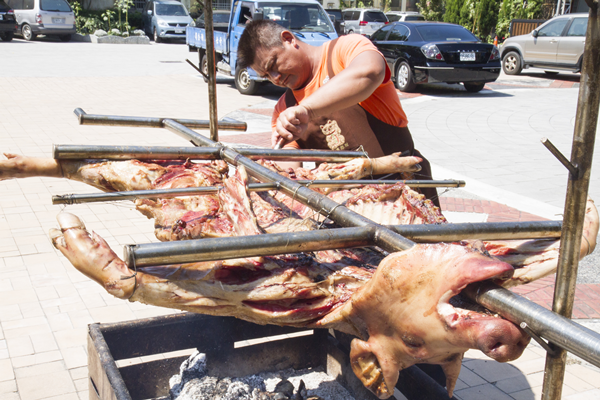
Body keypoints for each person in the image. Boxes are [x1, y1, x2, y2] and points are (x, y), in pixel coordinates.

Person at [237, 19, 439, 206]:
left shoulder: (343, 50)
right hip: (348, 208)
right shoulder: (283, 108)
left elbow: (370, 71)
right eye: (266, 75)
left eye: (273, 64)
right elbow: (292, 169)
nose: (275, 78)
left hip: (405, 195)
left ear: (288, 39)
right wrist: (273, 164)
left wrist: (306, 109)